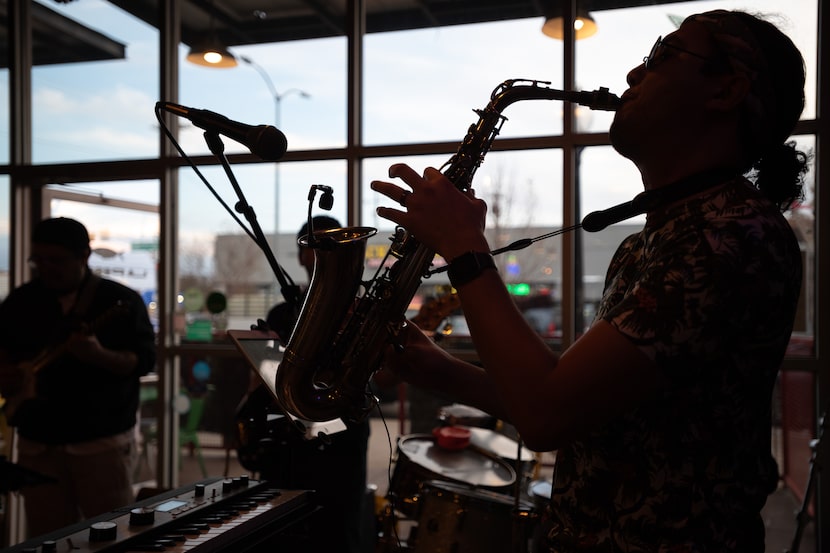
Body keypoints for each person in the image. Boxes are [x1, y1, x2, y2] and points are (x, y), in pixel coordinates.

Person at [370, 9, 808, 552]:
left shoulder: (731, 236)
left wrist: (464, 247)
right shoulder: (651, 242)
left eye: (662, 57)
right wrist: (432, 366)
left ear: (726, 92)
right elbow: (571, 408)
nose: (632, 75)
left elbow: (546, 415)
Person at [0, 217, 156, 539]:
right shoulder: (21, 301)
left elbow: (141, 362)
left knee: (112, 536)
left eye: (55, 260)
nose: (45, 267)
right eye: (38, 259)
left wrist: (97, 355)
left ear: (84, 256)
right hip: (38, 440)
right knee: (46, 537)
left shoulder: (121, 302)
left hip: (101, 441)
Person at [253, 215, 372, 553]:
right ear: (304, 254)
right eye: (314, 248)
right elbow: (263, 382)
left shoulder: (361, 312)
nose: (317, 256)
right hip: (289, 442)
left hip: (341, 442)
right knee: (282, 532)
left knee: (338, 531)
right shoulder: (281, 314)